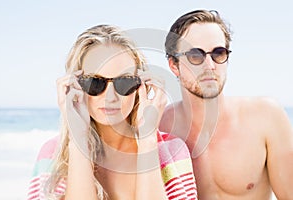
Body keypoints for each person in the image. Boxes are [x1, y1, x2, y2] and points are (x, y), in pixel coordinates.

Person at [27, 25, 198, 200]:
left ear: (141, 85)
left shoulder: (173, 151)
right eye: (95, 82)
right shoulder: (51, 156)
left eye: (124, 82)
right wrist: (79, 140)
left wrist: (147, 141)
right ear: (75, 85)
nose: (110, 97)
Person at [160, 9, 293, 200]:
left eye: (218, 53)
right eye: (195, 56)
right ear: (174, 65)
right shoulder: (159, 129)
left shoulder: (266, 118)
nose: (209, 65)